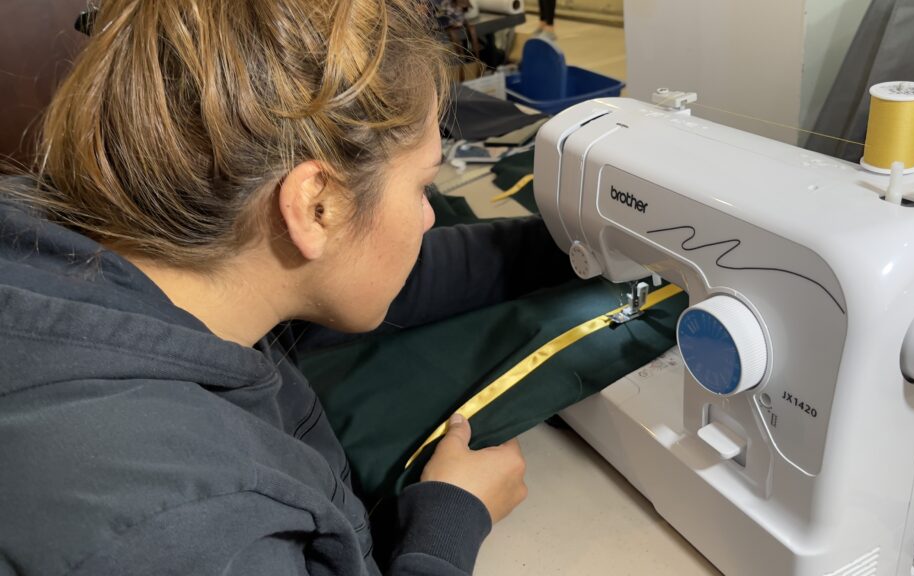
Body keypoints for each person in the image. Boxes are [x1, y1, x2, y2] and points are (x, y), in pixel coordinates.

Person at [0, 0, 572, 574]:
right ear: (315, 207)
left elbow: (395, 271)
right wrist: (449, 521)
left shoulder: (87, 257)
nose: (428, 217)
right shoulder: (191, 530)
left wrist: (573, 247)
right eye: (424, 186)